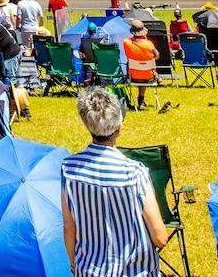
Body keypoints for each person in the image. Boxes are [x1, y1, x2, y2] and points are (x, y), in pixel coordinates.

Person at [60, 87, 168, 277]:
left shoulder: (69, 169)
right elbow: (160, 237)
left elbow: (70, 227)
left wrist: (74, 265)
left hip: (89, 270)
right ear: (119, 130)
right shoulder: (135, 172)